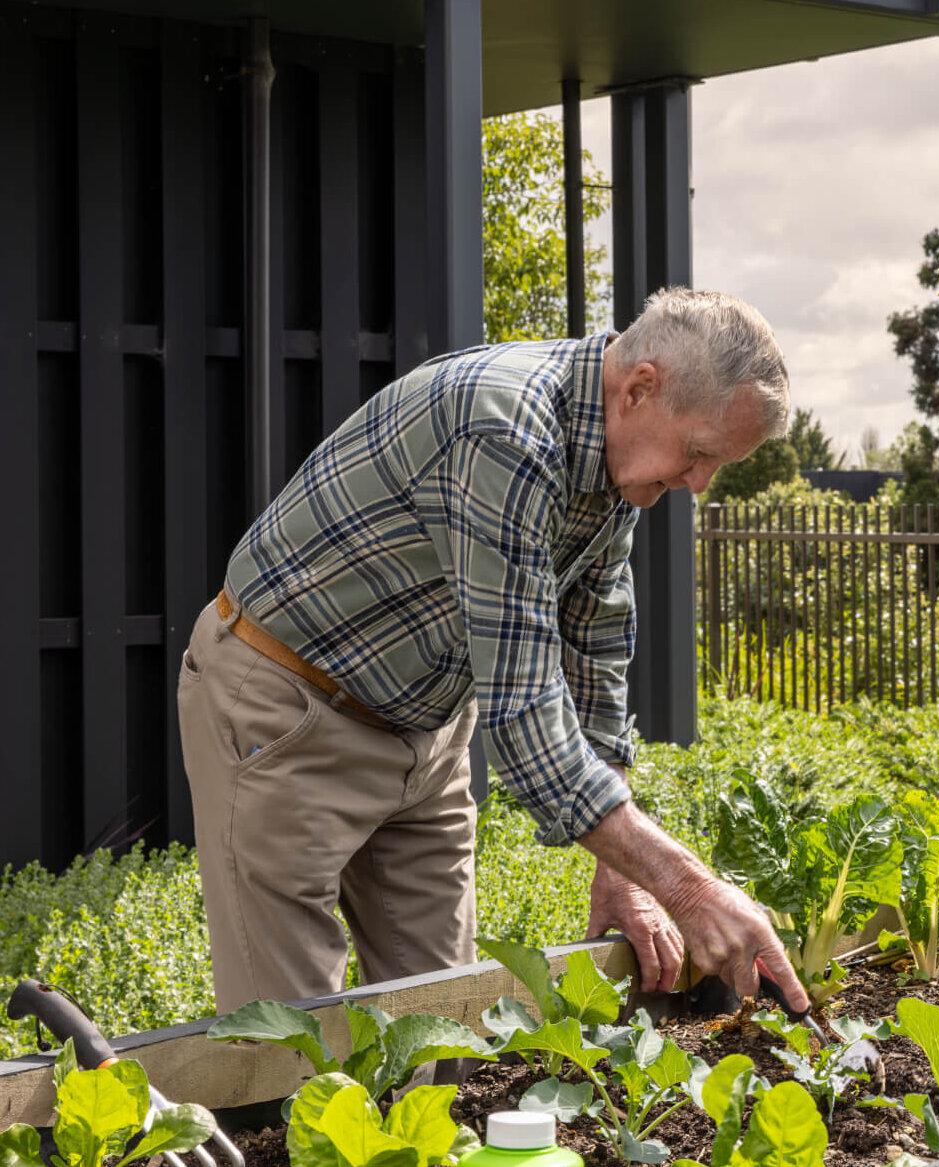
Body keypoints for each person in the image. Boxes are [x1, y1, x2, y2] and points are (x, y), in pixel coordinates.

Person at [176, 287, 808, 1014]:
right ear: (640, 387)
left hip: (425, 732)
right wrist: (689, 888)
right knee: (288, 1048)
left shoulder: (615, 460)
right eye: (699, 453)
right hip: (287, 712)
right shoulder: (505, 431)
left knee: (443, 1029)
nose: (699, 483)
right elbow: (528, 720)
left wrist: (624, 870)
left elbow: (595, 644)